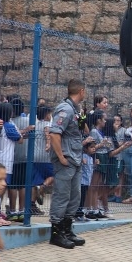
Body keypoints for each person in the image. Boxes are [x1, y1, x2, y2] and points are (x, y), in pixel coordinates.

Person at [47, 80, 90, 249]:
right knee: (62, 195)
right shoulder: (65, 109)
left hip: (76, 157)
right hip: (67, 158)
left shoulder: (75, 109)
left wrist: (82, 118)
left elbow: (84, 131)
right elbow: (54, 134)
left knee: (74, 196)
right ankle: (56, 233)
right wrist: (61, 157)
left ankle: (67, 229)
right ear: (81, 91)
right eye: (85, 91)